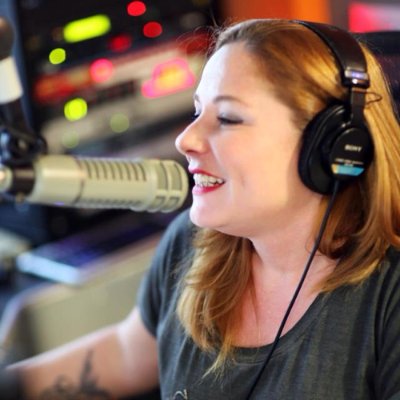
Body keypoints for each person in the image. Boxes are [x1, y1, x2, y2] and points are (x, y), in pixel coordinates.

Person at [4, 18, 400, 399]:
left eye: (227, 118)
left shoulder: (388, 300)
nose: (186, 139)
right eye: (198, 112)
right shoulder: (193, 243)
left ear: (333, 147)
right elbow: (127, 353)